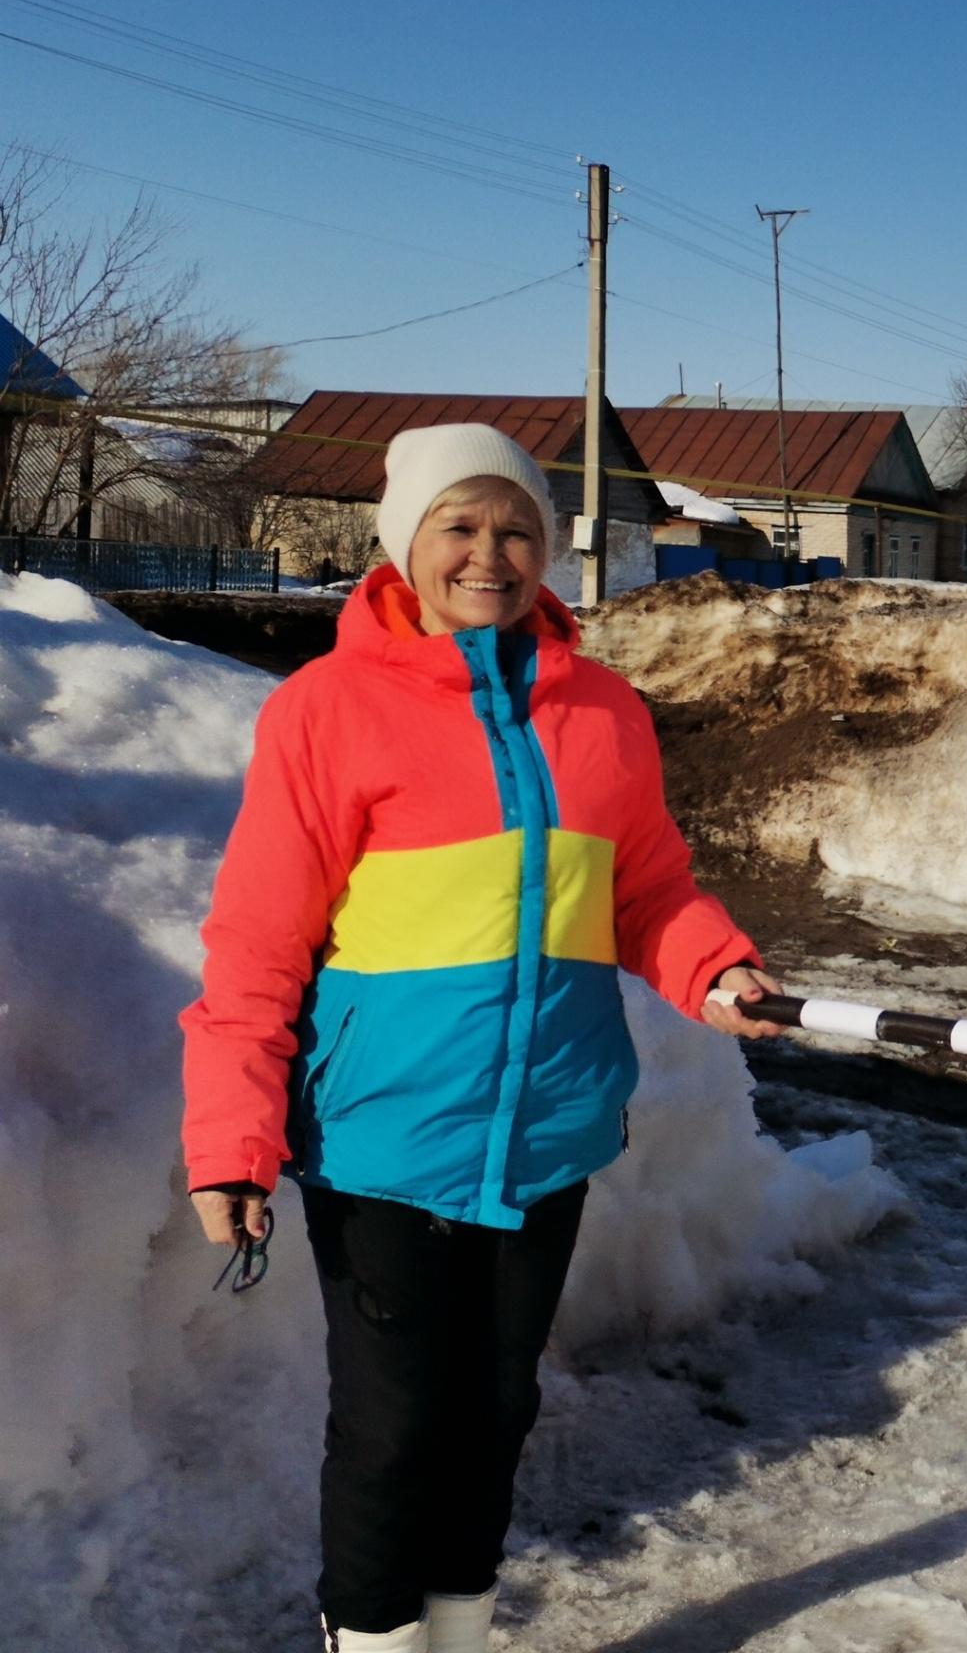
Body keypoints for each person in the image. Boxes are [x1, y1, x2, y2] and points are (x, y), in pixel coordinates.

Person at [180, 425, 785, 1653]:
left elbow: (647, 892)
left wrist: (711, 960)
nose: (489, 554)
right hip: (384, 1135)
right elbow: (255, 945)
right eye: (459, 525)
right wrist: (231, 1139)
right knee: (394, 1427)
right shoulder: (325, 712)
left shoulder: (603, 713)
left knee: (497, 1410)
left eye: (516, 528)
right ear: (406, 543)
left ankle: (456, 1636)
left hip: (547, 1128)